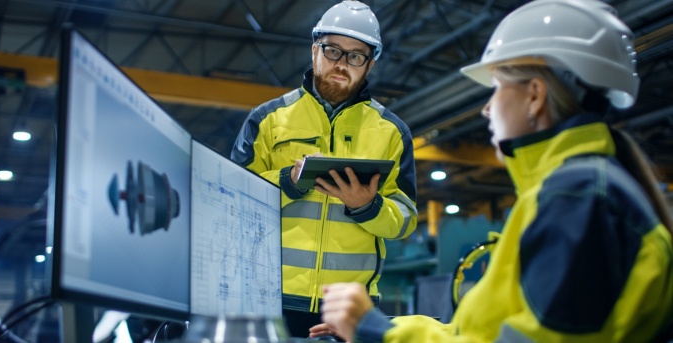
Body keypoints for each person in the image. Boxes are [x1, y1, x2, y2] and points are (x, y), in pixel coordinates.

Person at [311, 0, 673, 342]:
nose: (487, 109)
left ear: (534, 96)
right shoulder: (574, 192)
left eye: (498, 86)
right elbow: (480, 332)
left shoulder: (578, 199)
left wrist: (377, 331)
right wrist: (379, 326)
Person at [229, 0, 418, 338]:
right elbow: (232, 199)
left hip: (348, 308)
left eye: (355, 56)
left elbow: (405, 219)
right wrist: (290, 181)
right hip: (266, 297)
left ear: (370, 64)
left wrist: (368, 206)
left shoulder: (392, 132)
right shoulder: (268, 120)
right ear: (314, 49)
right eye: (332, 51)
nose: (341, 64)